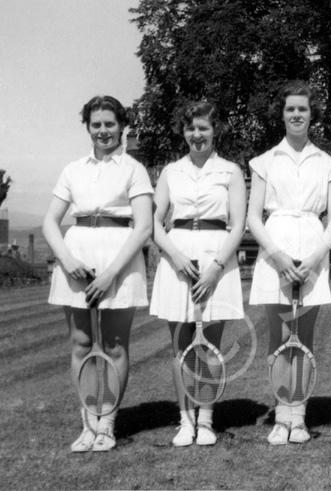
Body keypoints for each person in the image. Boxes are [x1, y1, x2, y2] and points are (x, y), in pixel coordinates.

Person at [43, 95, 153, 452]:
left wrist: (110, 274)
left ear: (122, 126)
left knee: (114, 345)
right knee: (81, 343)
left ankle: (107, 424)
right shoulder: (73, 169)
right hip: (76, 260)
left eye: (109, 124)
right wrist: (67, 259)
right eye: (96, 124)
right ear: (87, 127)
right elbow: (49, 222)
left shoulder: (133, 169)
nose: (103, 131)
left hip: (118, 262)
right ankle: (87, 424)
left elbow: (144, 226)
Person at [247, 81, 331, 445]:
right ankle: (280, 415)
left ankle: (298, 417)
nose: (297, 114)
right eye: (290, 109)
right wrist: (279, 256)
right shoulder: (264, 161)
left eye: (302, 108)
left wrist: (316, 256)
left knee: (304, 338)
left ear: (311, 113)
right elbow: (254, 217)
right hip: (276, 252)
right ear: (282, 114)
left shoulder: (328, 163)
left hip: (313, 252)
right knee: (279, 337)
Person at [149, 101, 247, 447]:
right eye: (191, 128)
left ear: (214, 129)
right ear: (184, 132)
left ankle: (205, 420)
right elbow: (155, 223)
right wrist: (175, 256)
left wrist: (216, 268)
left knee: (208, 349)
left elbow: (237, 225)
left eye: (203, 128)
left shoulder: (231, 171)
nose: (197, 134)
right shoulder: (170, 172)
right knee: (180, 348)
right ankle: (185, 420)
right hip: (177, 261)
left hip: (216, 262)